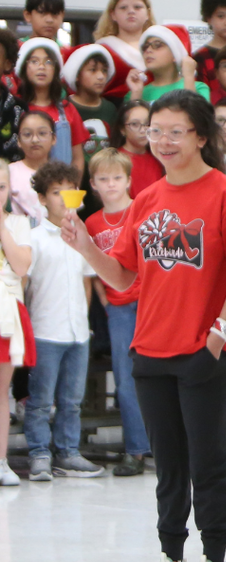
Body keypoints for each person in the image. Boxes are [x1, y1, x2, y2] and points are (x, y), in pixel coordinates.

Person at [61, 90, 226, 562]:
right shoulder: (146, 200)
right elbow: (124, 275)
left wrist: (218, 334)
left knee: (208, 462)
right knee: (168, 465)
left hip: (203, 353)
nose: (163, 141)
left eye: (175, 131)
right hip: (149, 350)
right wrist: (85, 245)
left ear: (200, 135)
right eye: (155, 130)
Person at [24, 162, 104, 481]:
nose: (63, 197)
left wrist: (83, 322)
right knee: (41, 399)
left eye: (69, 190)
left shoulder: (82, 237)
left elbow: (87, 283)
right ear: (43, 199)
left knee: (72, 399)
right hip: (44, 330)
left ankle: (68, 452)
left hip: (78, 333)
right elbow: (25, 284)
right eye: (56, 192)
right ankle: (39, 453)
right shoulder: (34, 239)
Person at [84, 148, 150, 477]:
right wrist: (105, 300)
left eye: (117, 178)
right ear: (93, 184)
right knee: (125, 380)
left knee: (163, 374)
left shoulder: (142, 210)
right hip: (119, 306)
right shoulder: (93, 222)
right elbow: (93, 268)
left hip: (152, 303)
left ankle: (168, 447)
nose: (111, 185)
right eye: (103, 179)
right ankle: (136, 451)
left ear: (128, 180)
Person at [0, 159, 34, 487]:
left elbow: (22, 266)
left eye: (0, 187)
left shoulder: (20, 223)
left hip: (6, 313)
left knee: (2, 390)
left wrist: (1, 226)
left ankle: (1, 461)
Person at [16, 38, 87, 179]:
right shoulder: (15, 108)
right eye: (34, 61)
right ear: (25, 67)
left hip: (62, 191)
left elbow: (78, 158)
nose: (41, 67)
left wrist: (72, 190)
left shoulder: (68, 110)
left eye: (48, 62)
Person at [94, 0, 155, 101]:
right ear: (113, 15)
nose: (131, 11)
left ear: (148, 13)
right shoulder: (103, 49)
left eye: (137, 7)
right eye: (123, 8)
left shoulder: (161, 49)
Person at [62, 44, 118, 161]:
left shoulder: (110, 109)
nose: (101, 76)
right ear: (77, 74)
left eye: (104, 71)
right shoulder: (65, 108)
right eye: (93, 70)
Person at [129, 25, 210, 103]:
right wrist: (136, 94)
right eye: (145, 47)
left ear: (175, 54)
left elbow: (195, 115)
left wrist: (189, 77)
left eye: (157, 45)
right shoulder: (134, 93)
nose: (148, 50)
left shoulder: (199, 88)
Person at [9, 112, 55, 226]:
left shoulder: (63, 173)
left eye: (42, 133)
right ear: (18, 141)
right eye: (27, 134)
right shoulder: (9, 172)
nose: (35, 140)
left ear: (53, 138)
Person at [113, 100, 164, 199]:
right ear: (122, 129)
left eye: (147, 124)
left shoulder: (160, 157)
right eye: (135, 124)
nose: (142, 130)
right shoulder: (115, 160)